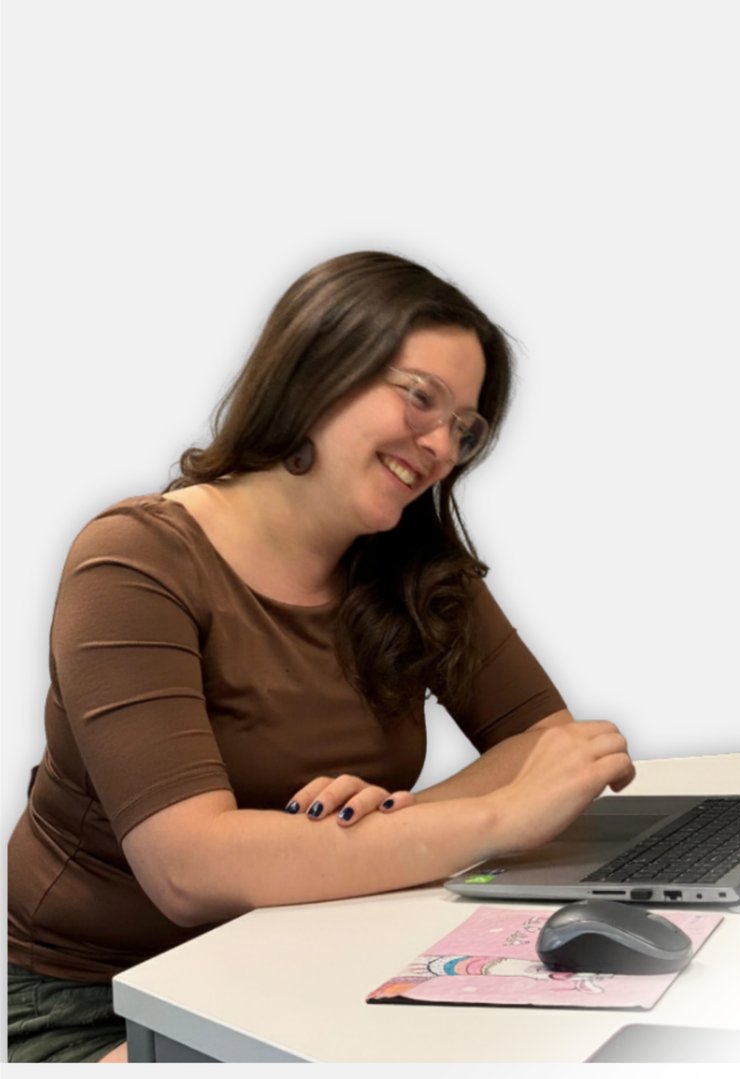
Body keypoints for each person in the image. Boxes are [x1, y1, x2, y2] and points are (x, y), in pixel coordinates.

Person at [5, 252, 636, 1062]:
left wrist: (394, 823)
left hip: (305, 961)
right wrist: (494, 819)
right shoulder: (133, 562)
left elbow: (551, 749)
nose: (441, 445)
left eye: (463, 427)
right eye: (421, 398)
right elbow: (189, 867)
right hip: (96, 1002)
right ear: (319, 367)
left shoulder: (414, 566)